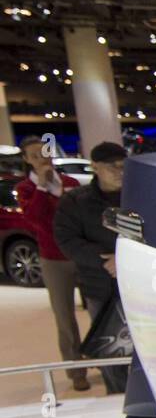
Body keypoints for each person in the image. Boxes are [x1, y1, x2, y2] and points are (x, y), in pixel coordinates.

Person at [52, 142, 130, 394]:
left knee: (146, 344)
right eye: (112, 166)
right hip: (99, 285)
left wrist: (124, 257)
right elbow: (66, 239)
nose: (119, 171)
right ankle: (116, 395)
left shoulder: (138, 195)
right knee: (109, 343)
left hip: (139, 282)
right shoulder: (76, 201)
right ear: (95, 167)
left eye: (123, 165)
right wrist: (103, 260)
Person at [16, 136, 86, 391]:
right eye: (34, 156)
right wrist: (42, 188)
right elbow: (34, 219)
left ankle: (108, 362)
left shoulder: (70, 183)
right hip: (53, 259)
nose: (41, 159)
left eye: (44, 153)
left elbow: (82, 217)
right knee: (64, 318)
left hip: (81, 255)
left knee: (99, 309)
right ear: (27, 160)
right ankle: (76, 370)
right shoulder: (26, 189)